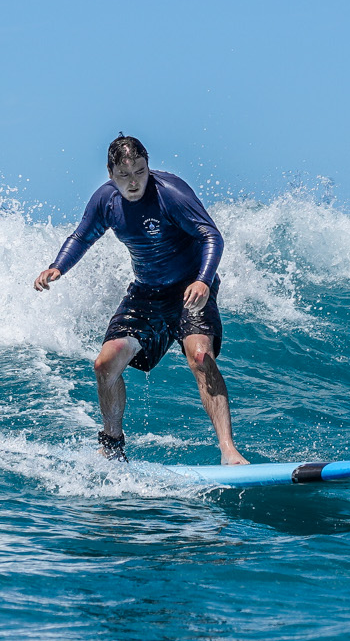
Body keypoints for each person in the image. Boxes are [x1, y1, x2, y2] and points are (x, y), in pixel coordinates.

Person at [33, 135, 248, 465]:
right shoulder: (106, 201)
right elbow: (81, 236)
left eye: (140, 172)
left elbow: (211, 235)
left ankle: (228, 450)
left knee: (200, 356)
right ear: (110, 174)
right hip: (146, 293)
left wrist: (203, 281)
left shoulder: (171, 193)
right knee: (105, 364)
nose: (134, 182)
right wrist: (57, 267)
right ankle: (112, 445)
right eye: (124, 175)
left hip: (189, 287)